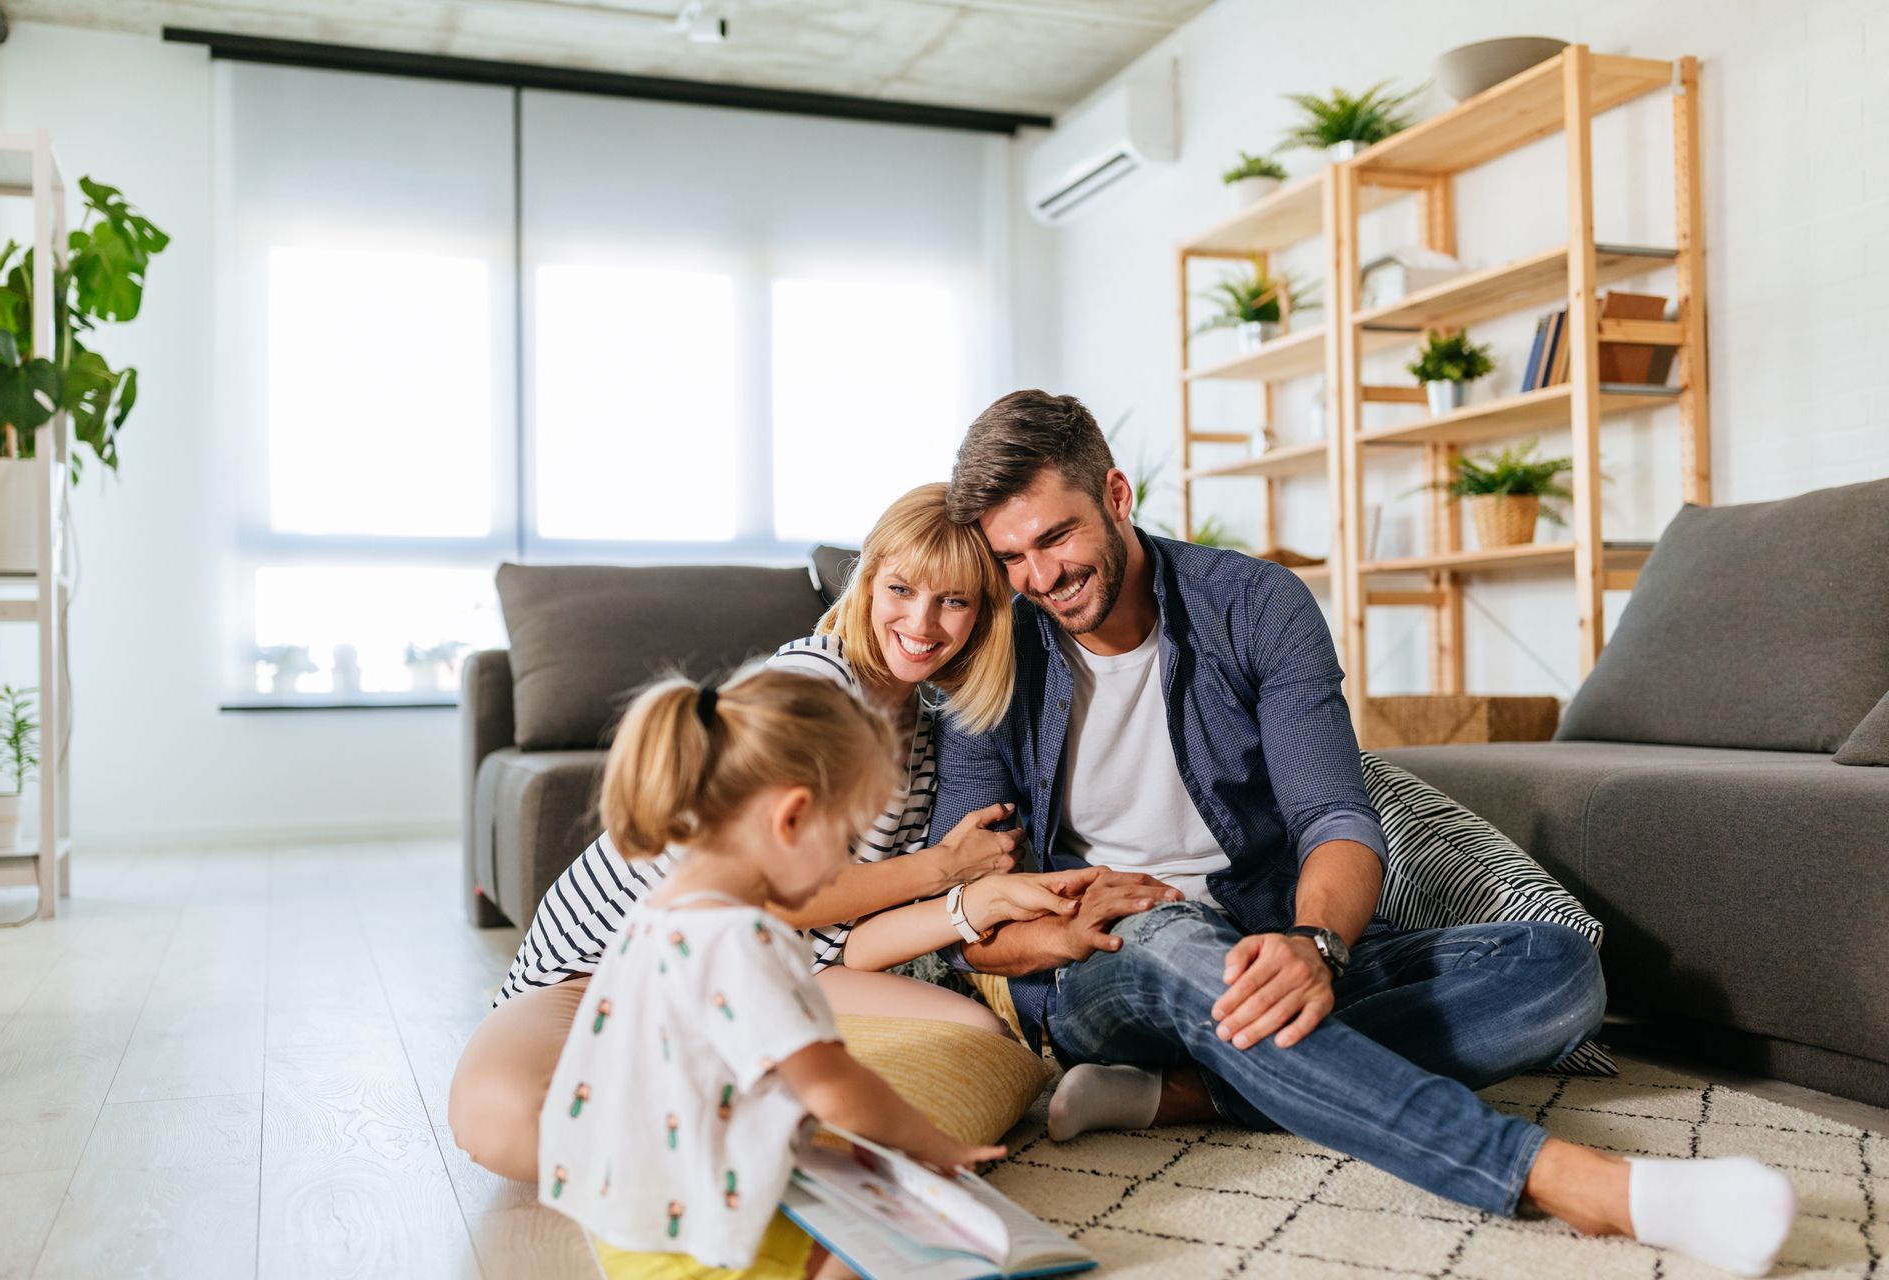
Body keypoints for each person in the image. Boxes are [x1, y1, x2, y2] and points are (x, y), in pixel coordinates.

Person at [927, 389, 1798, 1279]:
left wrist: (1315, 942)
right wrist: (1065, 932)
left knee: (1559, 971)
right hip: (1107, 966)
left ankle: (1196, 1094)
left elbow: (1334, 816)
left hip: (1264, 937)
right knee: (1181, 939)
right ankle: (1577, 1183)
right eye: (1011, 557)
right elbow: (965, 923)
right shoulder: (994, 648)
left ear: (1115, 496)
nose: (1038, 577)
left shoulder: (1253, 604)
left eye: (1056, 537)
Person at [450, 483, 1061, 1183]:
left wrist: (969, 907)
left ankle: (765, 1142)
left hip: (767, 964)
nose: (922, 621)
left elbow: (841, 937)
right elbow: (783, 895)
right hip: (601, 970)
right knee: (509, 1121)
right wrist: (944, 869)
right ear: (867, 584)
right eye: (902, 589)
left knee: (977, 1042)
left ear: (984, 616)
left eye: (954, 601)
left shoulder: (927, 735)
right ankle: (733, 1143)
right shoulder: (812, 683)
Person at [541, 667, 1081, 1278]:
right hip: (707, 1233)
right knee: (890, 1257)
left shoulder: (657, 915)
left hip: (625, 1221)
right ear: (793, 818)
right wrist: (932, 1144)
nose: (849, 867)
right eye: (849, 839)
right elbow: (834, 1085)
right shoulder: (747, 939)